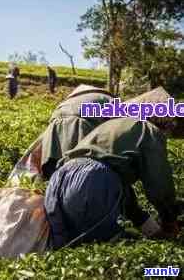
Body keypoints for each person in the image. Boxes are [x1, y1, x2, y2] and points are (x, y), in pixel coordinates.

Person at [44, 87, 182, 250]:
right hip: (90, 183)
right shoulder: (150, 131)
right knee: (109, 250)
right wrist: (169, 217)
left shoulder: (115, 127)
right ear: (163, 122)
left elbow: (121, 189)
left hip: (58, 182)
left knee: (67, 248)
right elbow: (159, 182)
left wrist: (148, 226)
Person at [40, 84, 114, 179]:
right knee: (84, 174)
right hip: (83, 122)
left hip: (58, 115)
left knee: (55, 173)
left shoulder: (74, 98)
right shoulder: (110, 101)